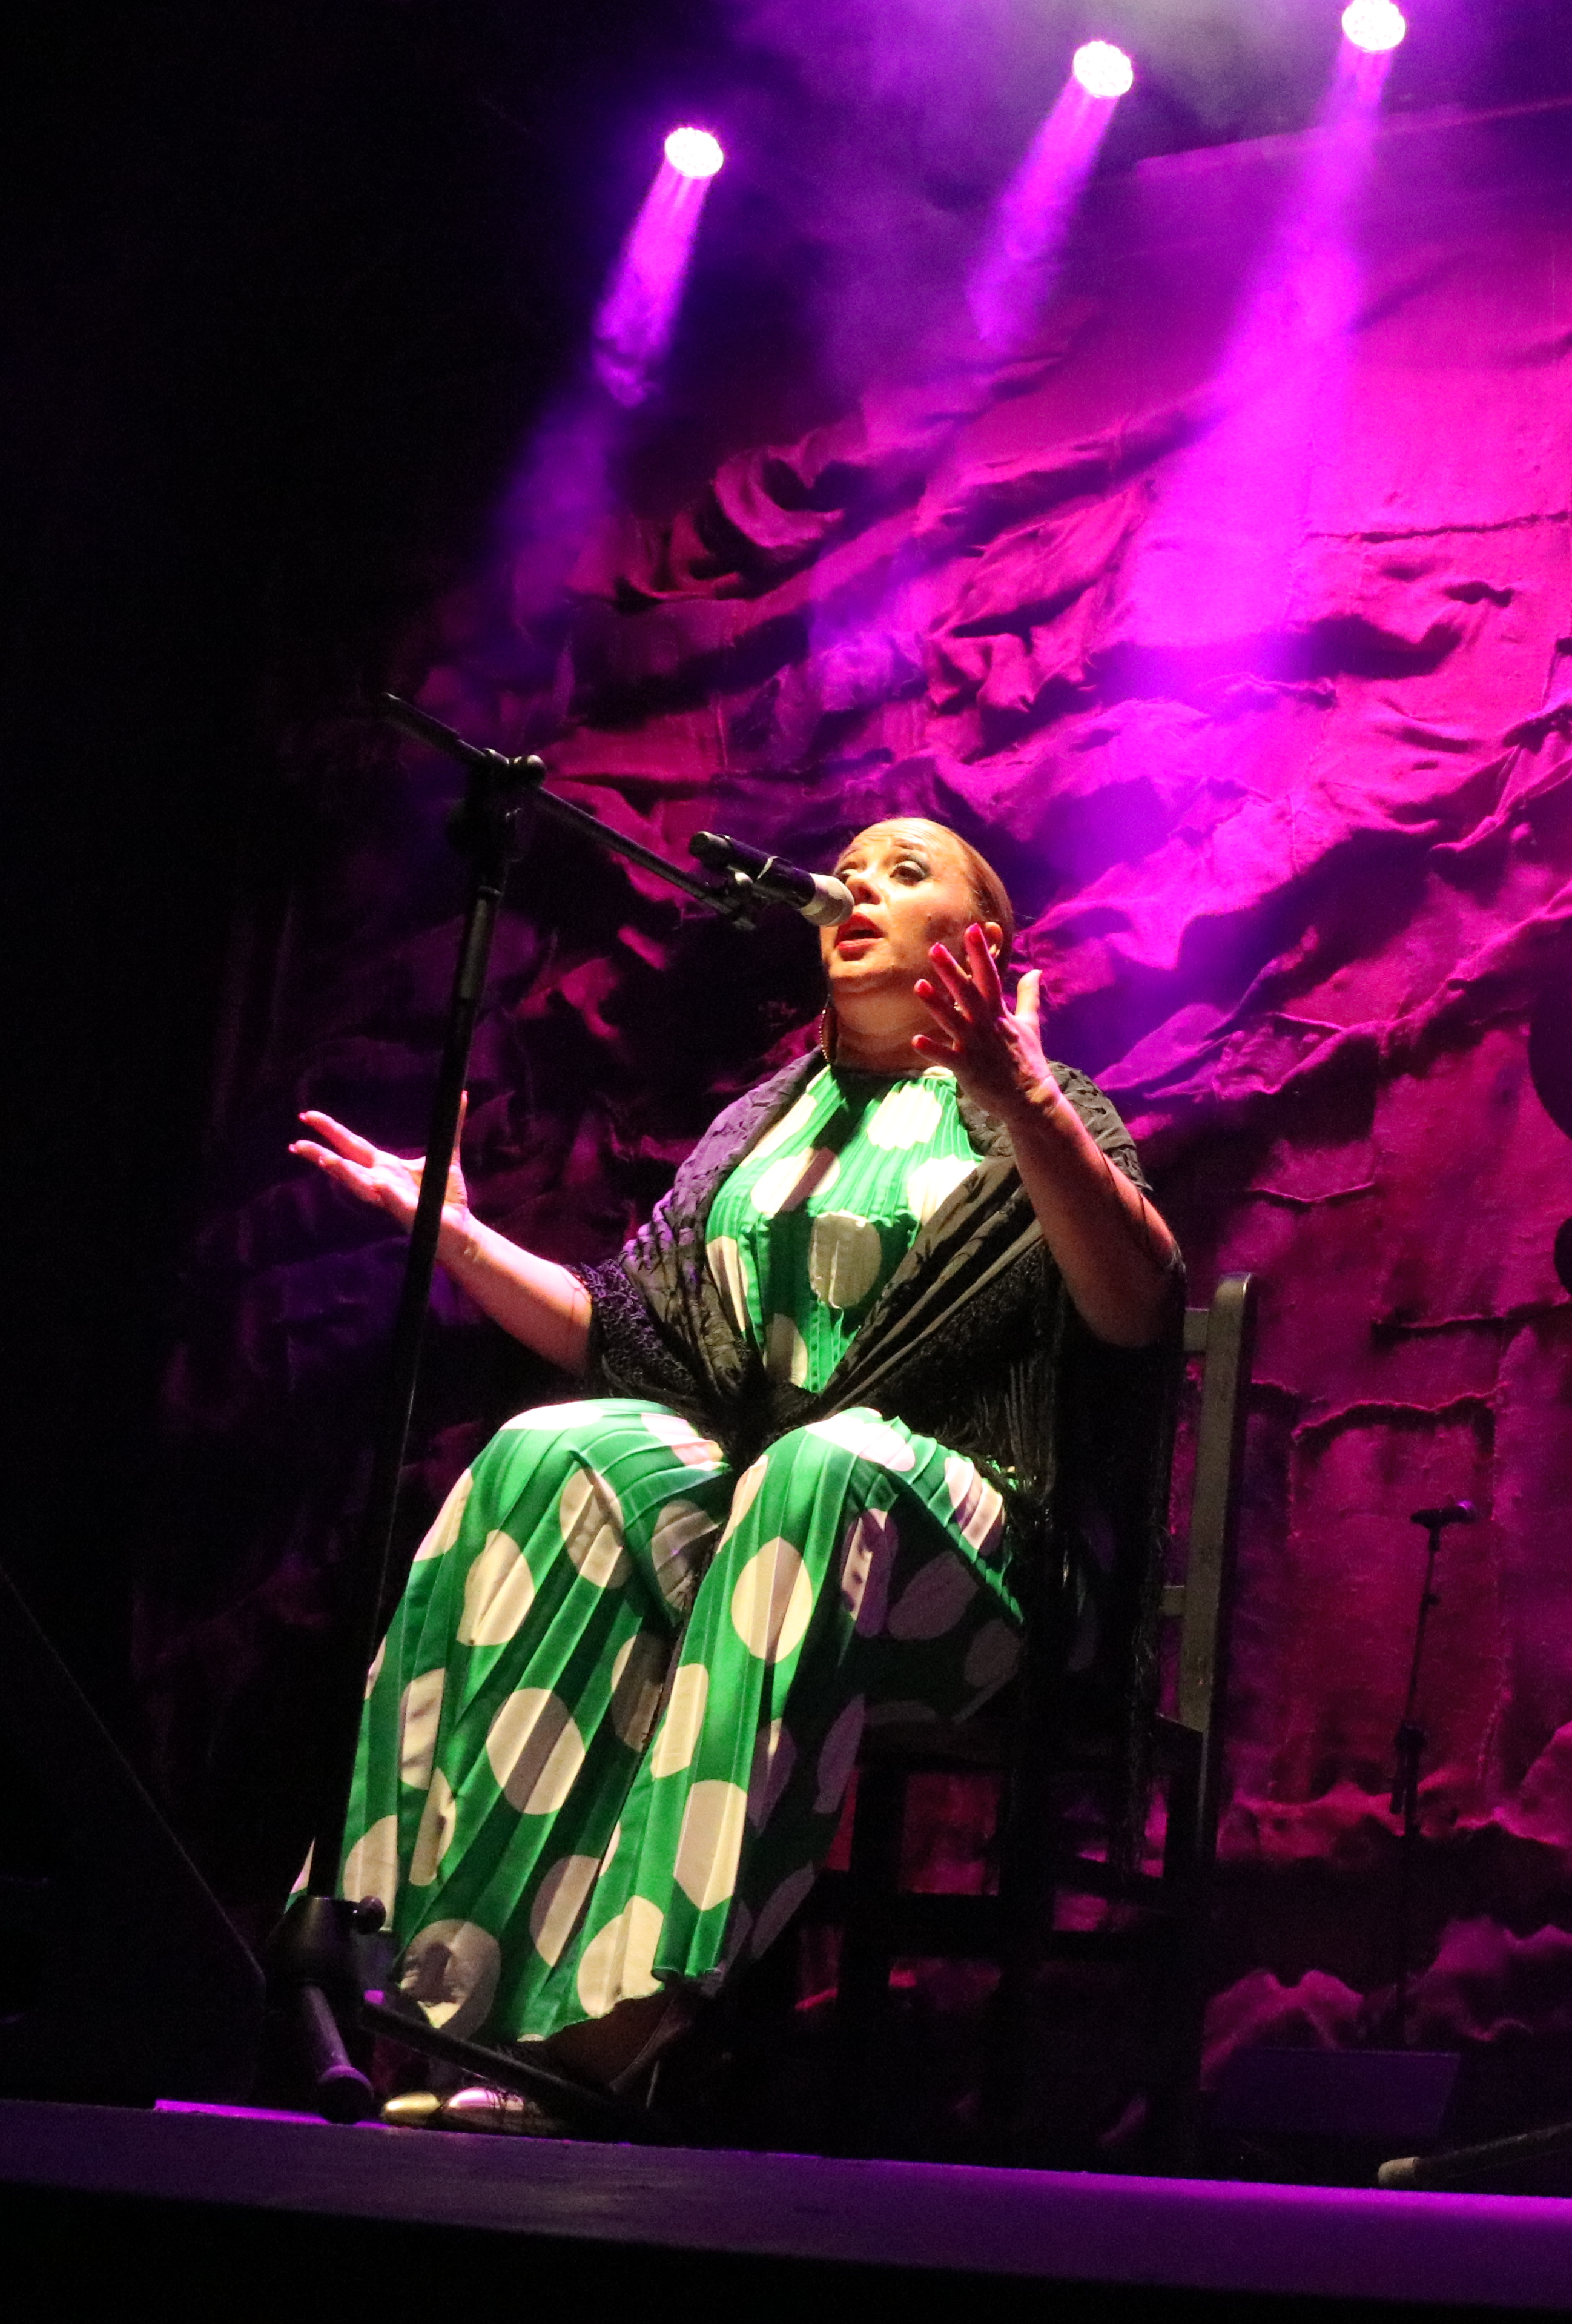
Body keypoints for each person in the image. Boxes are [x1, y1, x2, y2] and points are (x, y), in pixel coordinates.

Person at [294, 815, 1178, 2114]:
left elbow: (1139, 1302)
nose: (859, 885)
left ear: (977, 944)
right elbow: (628, 1329)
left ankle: (614, 2027)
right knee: (558, 1449)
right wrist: (463, 1235)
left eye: (908, 870)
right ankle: (424, 1990)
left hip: (982, 1572)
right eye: (853, 869)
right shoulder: (766, 1123)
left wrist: (1023, 1092)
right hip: (778, 1525)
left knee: (825, 1467)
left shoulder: (1036, 1102)